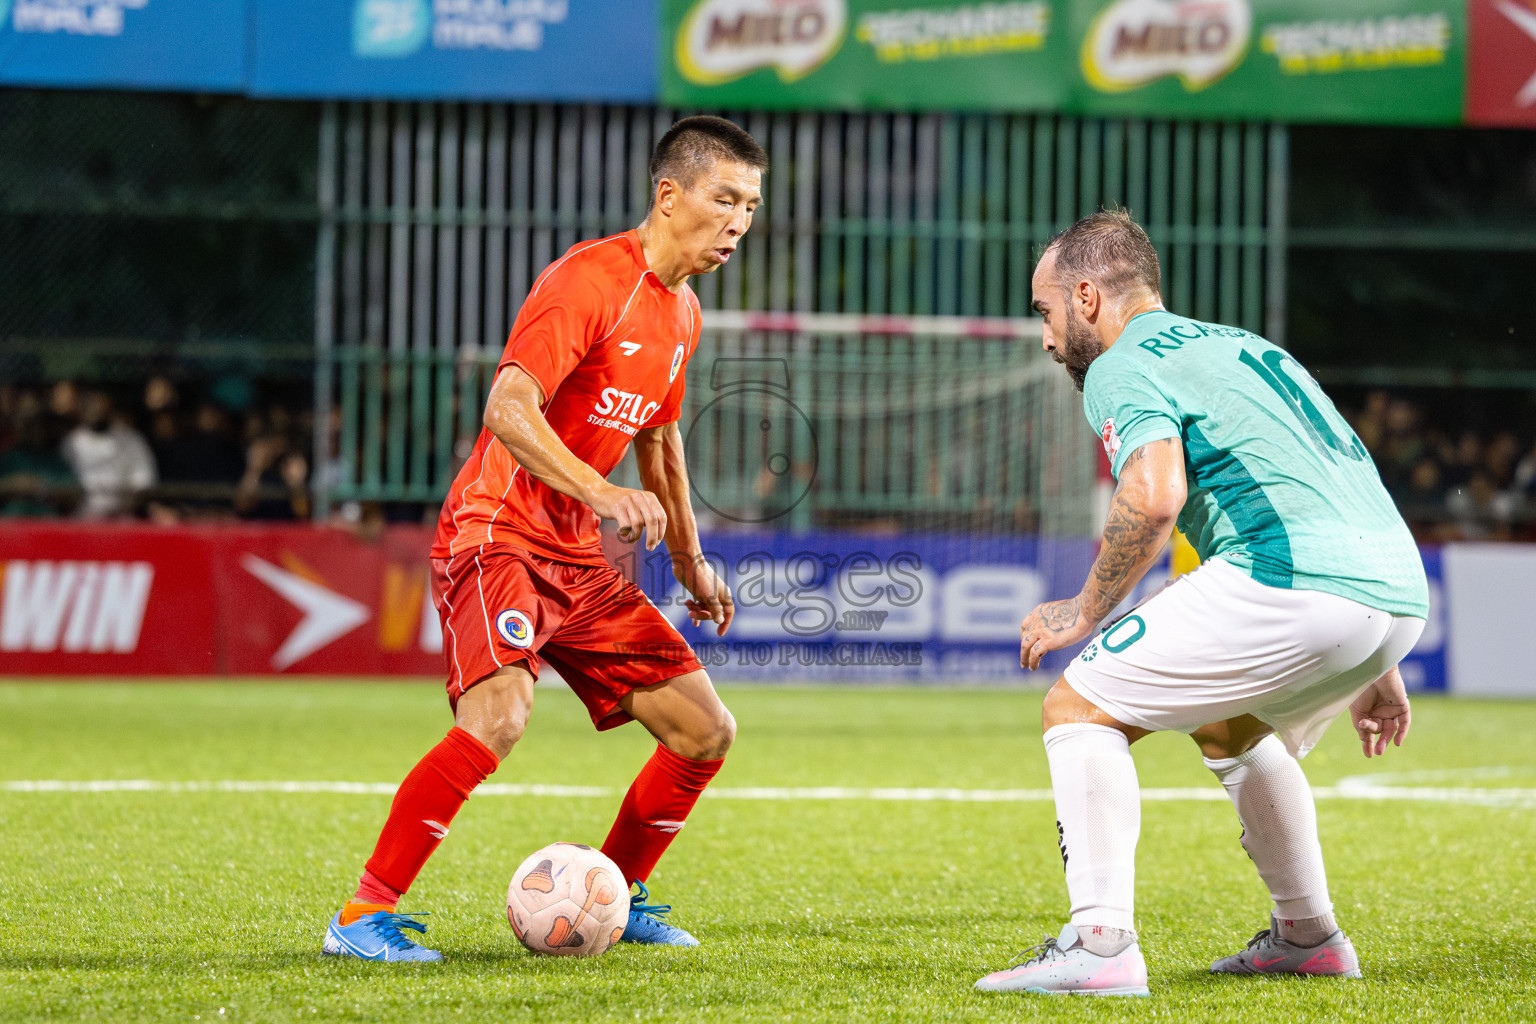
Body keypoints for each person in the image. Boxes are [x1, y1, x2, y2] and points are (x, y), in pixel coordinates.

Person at [322, 116, 766, 963]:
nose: (739, 220)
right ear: (668, 195)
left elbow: (661, 442)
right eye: (724, 198)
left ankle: (622, 891)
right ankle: (360, 915)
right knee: (499, 717)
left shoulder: (683, 312)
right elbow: (507, 409)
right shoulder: (588, 280)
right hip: (497, 532)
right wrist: (601, 492)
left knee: (705, 730)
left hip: (574, 555)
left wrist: (691, 562)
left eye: (750, 203)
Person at [974, 211, 1428, 997]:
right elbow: (1332, 474)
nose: (1047, 339)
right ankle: (1308, 936)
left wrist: (1081, 611)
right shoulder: (1243, 345)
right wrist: (1373, 656)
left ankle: (1099, 944)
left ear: (1087, 297)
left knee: (1077, 708)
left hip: (1295, 581)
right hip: (1394, 588)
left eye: (1046, 313)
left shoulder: (1123, 361)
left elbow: (1152, 500)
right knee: (1229, 724)